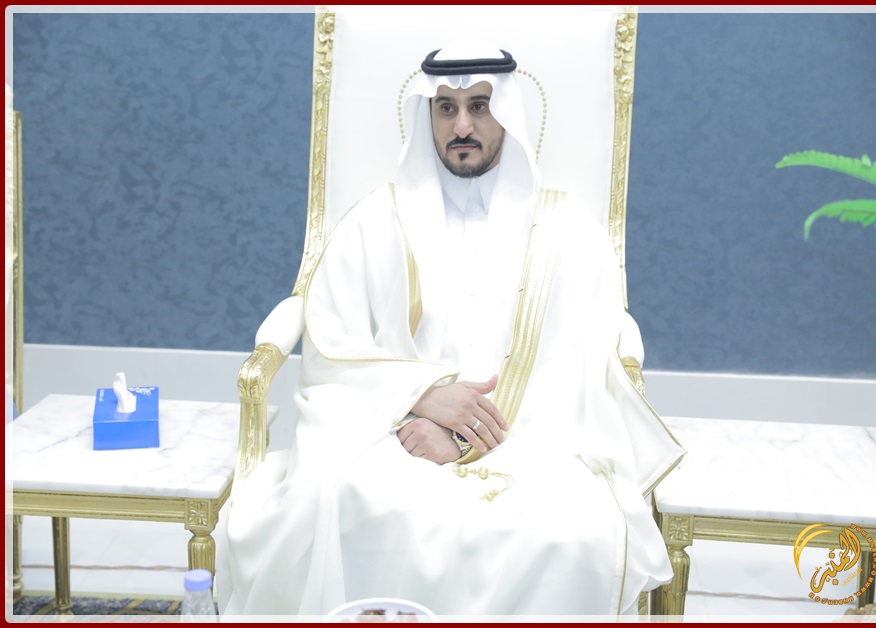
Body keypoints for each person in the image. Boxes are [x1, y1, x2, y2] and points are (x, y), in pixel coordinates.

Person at [221, 40, 678, 618]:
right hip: (392, 432)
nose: (462, 126)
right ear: (428, 115)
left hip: (535, 440)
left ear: (506, 113)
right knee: (351, 500)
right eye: (446, 108)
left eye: (479, 106)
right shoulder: (373, 222)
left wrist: (462, 438)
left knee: (573, 534)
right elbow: (331, 350)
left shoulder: (568, 231)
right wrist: (421, 399)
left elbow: (579, 375)